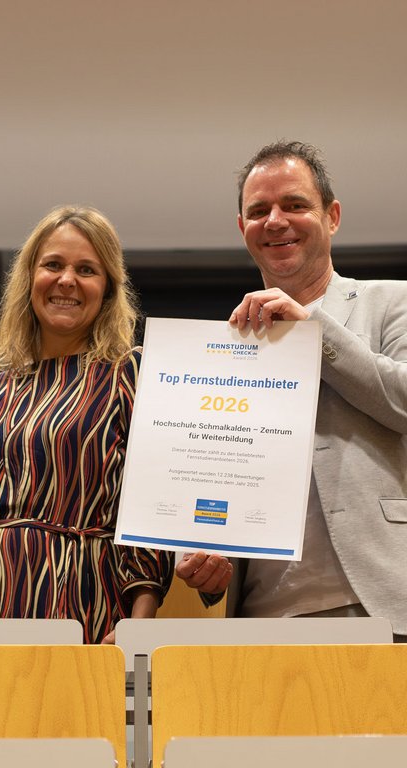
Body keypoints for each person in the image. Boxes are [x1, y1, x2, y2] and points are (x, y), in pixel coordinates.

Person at [176, 140, 407, 638]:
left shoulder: (392, 303)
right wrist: (202, 552)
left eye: (295, 205)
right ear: (243, 229)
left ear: (333, 216)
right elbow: (210, 476)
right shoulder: (225, 351)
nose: (275, 220)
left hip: (381, 602)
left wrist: (312, 329)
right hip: (262, 617)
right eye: (258, 211)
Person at [0, 205, 173, 643]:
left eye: (87, 269)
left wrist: (138, 622)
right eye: (53, 265)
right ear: (29, 279)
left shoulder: (129, 375)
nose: (66, 280)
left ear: (108, 289)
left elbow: (152, 509)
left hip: (81, 603)